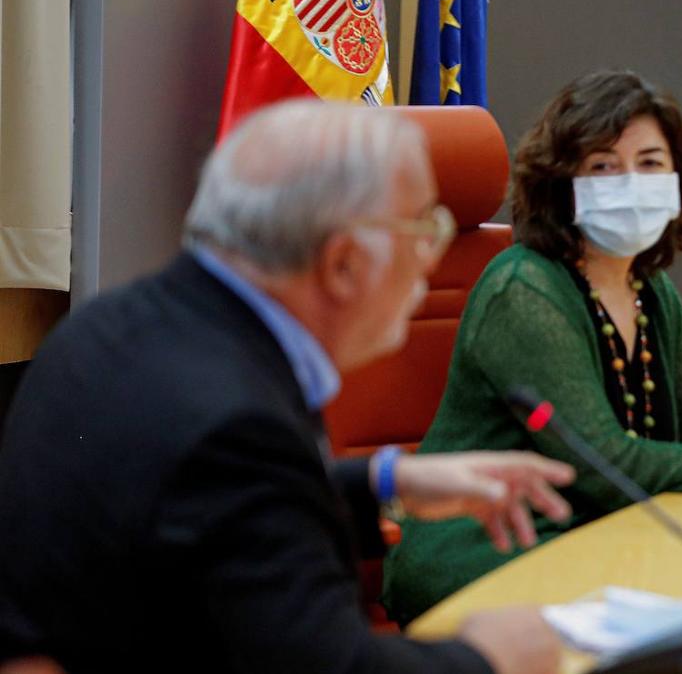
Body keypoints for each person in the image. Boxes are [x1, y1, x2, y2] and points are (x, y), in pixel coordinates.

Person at [0, 101, 575, 674]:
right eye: (426, 227)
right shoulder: (234, 425)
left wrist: (388, 481)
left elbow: (212, 516)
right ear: (344, 263)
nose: (432, 257)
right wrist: (488, 656)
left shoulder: (115, 327)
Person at [382, 70, 682, 624]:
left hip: (606, 532)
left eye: (650, 163)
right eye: (603, 166)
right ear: (562, 183)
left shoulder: (644, 285)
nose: (631, 181)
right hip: (490, 549)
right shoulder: (525, 289)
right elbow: (602, 462)